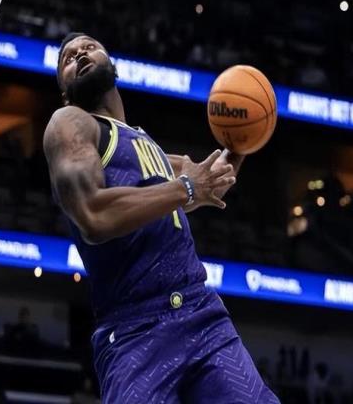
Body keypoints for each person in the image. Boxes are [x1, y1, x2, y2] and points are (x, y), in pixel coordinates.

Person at [43, 32, 280, 403]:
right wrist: (186, 188)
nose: (81, 54)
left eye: (89, 47)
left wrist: (243, 139)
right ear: (64, 91)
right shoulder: (70, 124)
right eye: (68, 58)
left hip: (201, 315)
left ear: (112, 64)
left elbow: (210, 181)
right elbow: (93, 214)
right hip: (136, 330)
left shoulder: (144, 144)